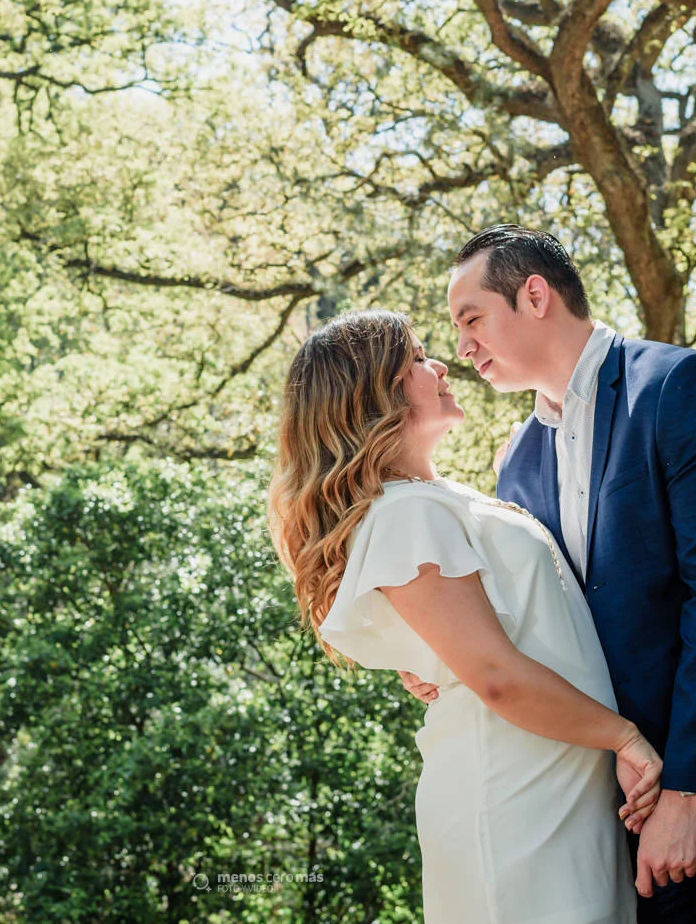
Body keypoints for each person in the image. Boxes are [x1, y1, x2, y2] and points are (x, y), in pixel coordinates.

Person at [403, 225, 696, 924]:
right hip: (578, 794)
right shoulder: (517, 459)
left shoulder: (677, 388)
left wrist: (687, 790)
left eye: (471, 318)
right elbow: (531, 613)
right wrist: (440, 655)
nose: (463, 346)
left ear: (534, 295)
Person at [268, 308, 661, 924]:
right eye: (419, 359)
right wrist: (626, 739)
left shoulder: (445, 499)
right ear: (377, 394)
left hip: (555, 783)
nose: (441, 364)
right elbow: (495, 675)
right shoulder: (405, 515)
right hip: (510, 796)